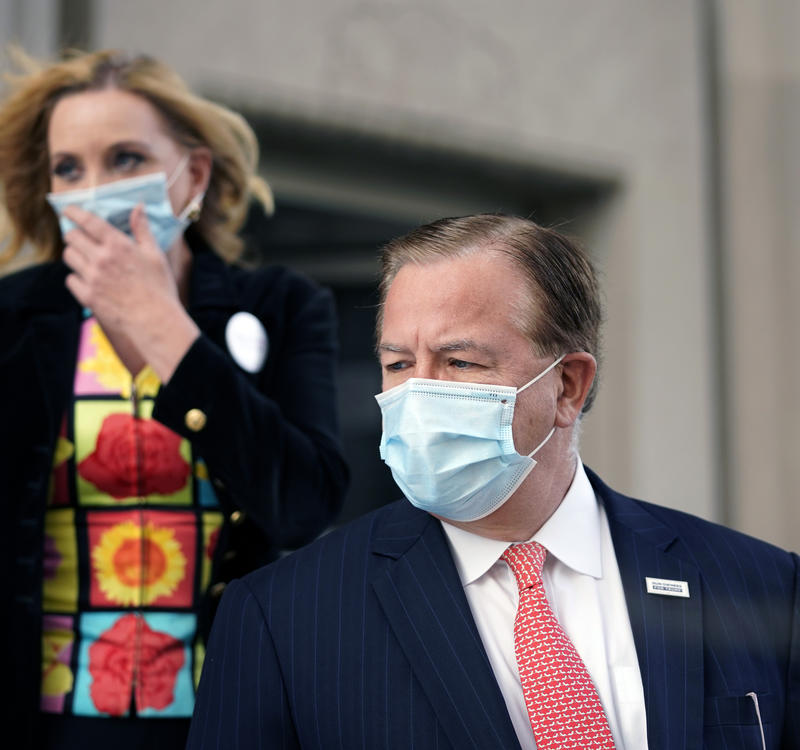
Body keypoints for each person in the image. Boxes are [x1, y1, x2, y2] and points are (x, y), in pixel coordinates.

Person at [0, 48, 348, 750]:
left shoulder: (283, 306)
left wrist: (166, 331)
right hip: (29, 726)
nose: (95, 188)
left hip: (225, 720)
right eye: (69, 168)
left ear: (193, 174)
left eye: (125, 159)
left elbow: (303, 504)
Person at [188, 214, 800, 749]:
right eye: (399, 363)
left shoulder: (765, 589)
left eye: (461, 361)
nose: (420, 393)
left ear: (568, 386)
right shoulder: (281, 617)